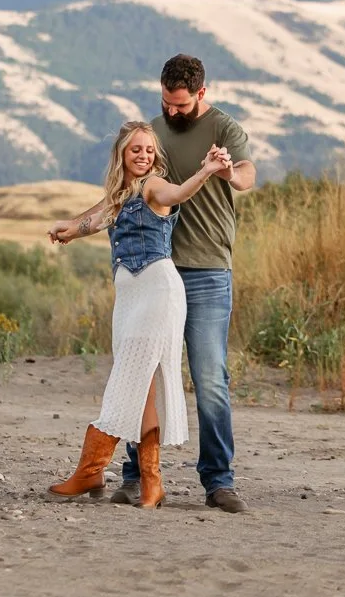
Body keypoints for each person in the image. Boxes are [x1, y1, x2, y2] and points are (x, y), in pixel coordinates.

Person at [44, 120, 233, 509]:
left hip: (158, 292)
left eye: (149, 149)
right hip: (129, 298)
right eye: (136, 150)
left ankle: (91, 469)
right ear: (122, 156)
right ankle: (151, 483)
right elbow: (94, 219)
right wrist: (68, 229)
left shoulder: (153, 186)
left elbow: (179, 192)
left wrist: (207, 170)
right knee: (143, 390)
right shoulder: (119, 195)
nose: (144, 155)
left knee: (127, 379)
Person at [120, 54, 256, 511]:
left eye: (180, 105)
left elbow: (247, 178)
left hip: (208, 272)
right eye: (165, 103)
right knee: (143, 372)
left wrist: (227, 171)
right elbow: (127, 187)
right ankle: (135, 474)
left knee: (209, 376)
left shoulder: (225, 129)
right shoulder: (152, 135)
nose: (172, 112)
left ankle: (219, 481)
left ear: (201, 93)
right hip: (156, 271)